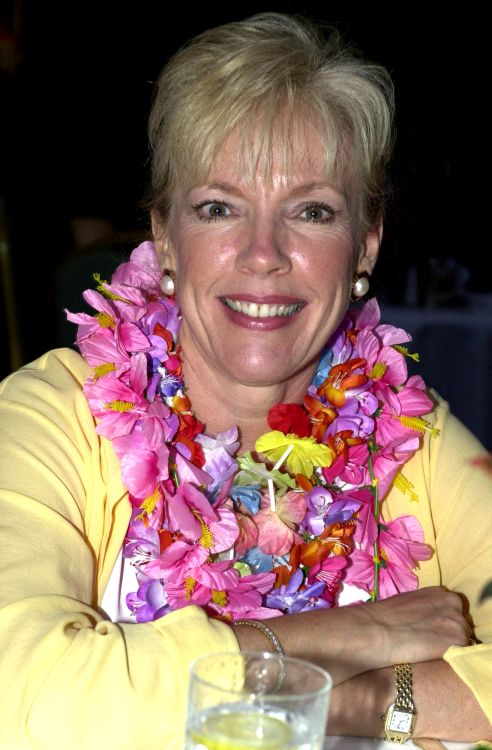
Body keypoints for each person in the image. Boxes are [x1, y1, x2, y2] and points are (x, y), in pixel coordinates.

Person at [0, 12, 490, 749]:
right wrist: (353, 633)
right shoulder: (51, 416)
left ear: (365, 245)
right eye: (219, 208)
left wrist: (342, 700)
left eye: (312, 211)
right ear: (165, 236)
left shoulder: (412, 436)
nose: (264, 253)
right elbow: (23, 695)